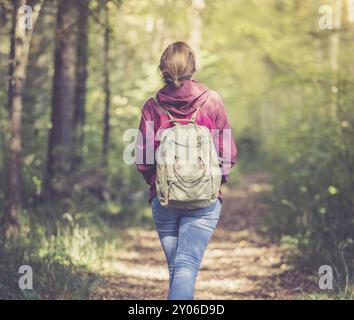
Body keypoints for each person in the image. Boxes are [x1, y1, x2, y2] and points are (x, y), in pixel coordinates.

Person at [136, 41, 237, 300]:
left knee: (179, 269)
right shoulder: (211, 101)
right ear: (193, 67)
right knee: (185, 268)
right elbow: (228, 152)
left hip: (165, 199)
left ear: (163, 69)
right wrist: (215, 181)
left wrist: (157, 182)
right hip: (205, 200)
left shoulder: (152, 106)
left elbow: (144, 159)